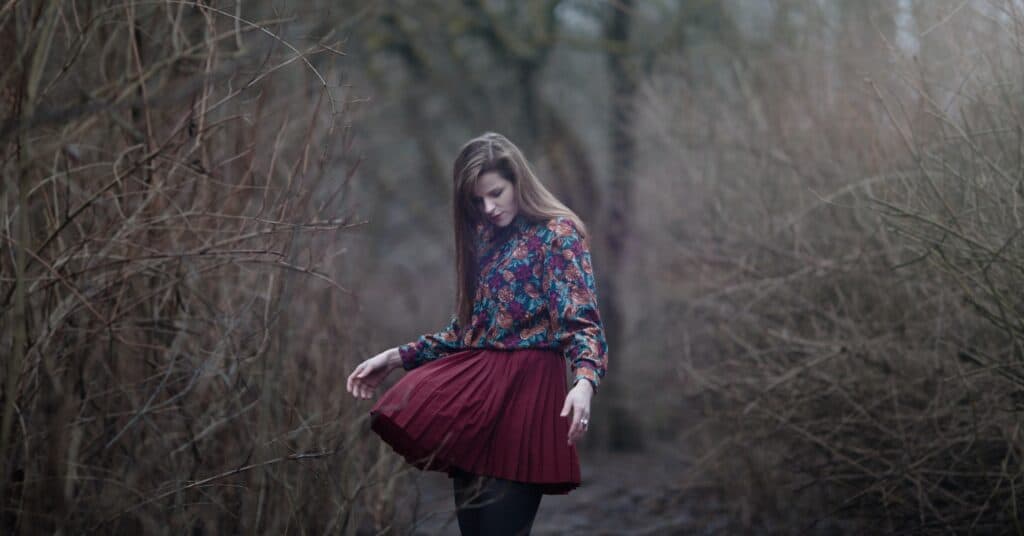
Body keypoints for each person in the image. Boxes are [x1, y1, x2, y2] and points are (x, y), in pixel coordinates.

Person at [346, 132, 608, 536]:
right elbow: (468, 331)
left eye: (496, 193)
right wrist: (396, 356)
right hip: (479, 402)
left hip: (527, 399)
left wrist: (585, 382)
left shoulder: (558, 234)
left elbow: (581, 321)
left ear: (518, 179)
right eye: (477, 200)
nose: (488, 207)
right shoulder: (489, 238)